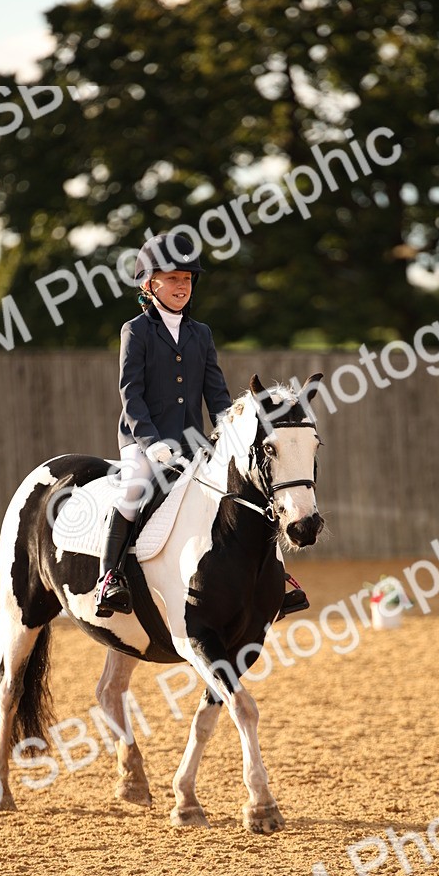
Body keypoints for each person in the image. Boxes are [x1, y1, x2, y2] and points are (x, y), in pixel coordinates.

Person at [94, 231, 309, 620]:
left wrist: (231, 432)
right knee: (133, 488)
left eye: (187, 279)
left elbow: (217, 393)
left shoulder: (201, 333)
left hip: (194, 440)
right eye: (173, 278)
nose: (182, 286)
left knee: (247, 493)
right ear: (149, 283)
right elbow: (131, 395)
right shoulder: (136, 331)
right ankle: (108, 578)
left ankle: (277, 575)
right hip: (144, 440)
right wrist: (150, 442)